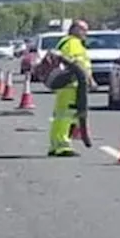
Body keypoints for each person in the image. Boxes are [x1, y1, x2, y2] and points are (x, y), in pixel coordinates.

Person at [47, 20, 93, 157]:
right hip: (72, 85)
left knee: (61, 116)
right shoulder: (73, 43)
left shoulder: (64, 41)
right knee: (66, 115)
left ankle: (55, 145)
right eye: (83, 30)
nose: (86, 33)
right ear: (75, 29)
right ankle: (63, 146)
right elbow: (77, 63)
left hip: (65, 86)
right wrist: (90, 79)